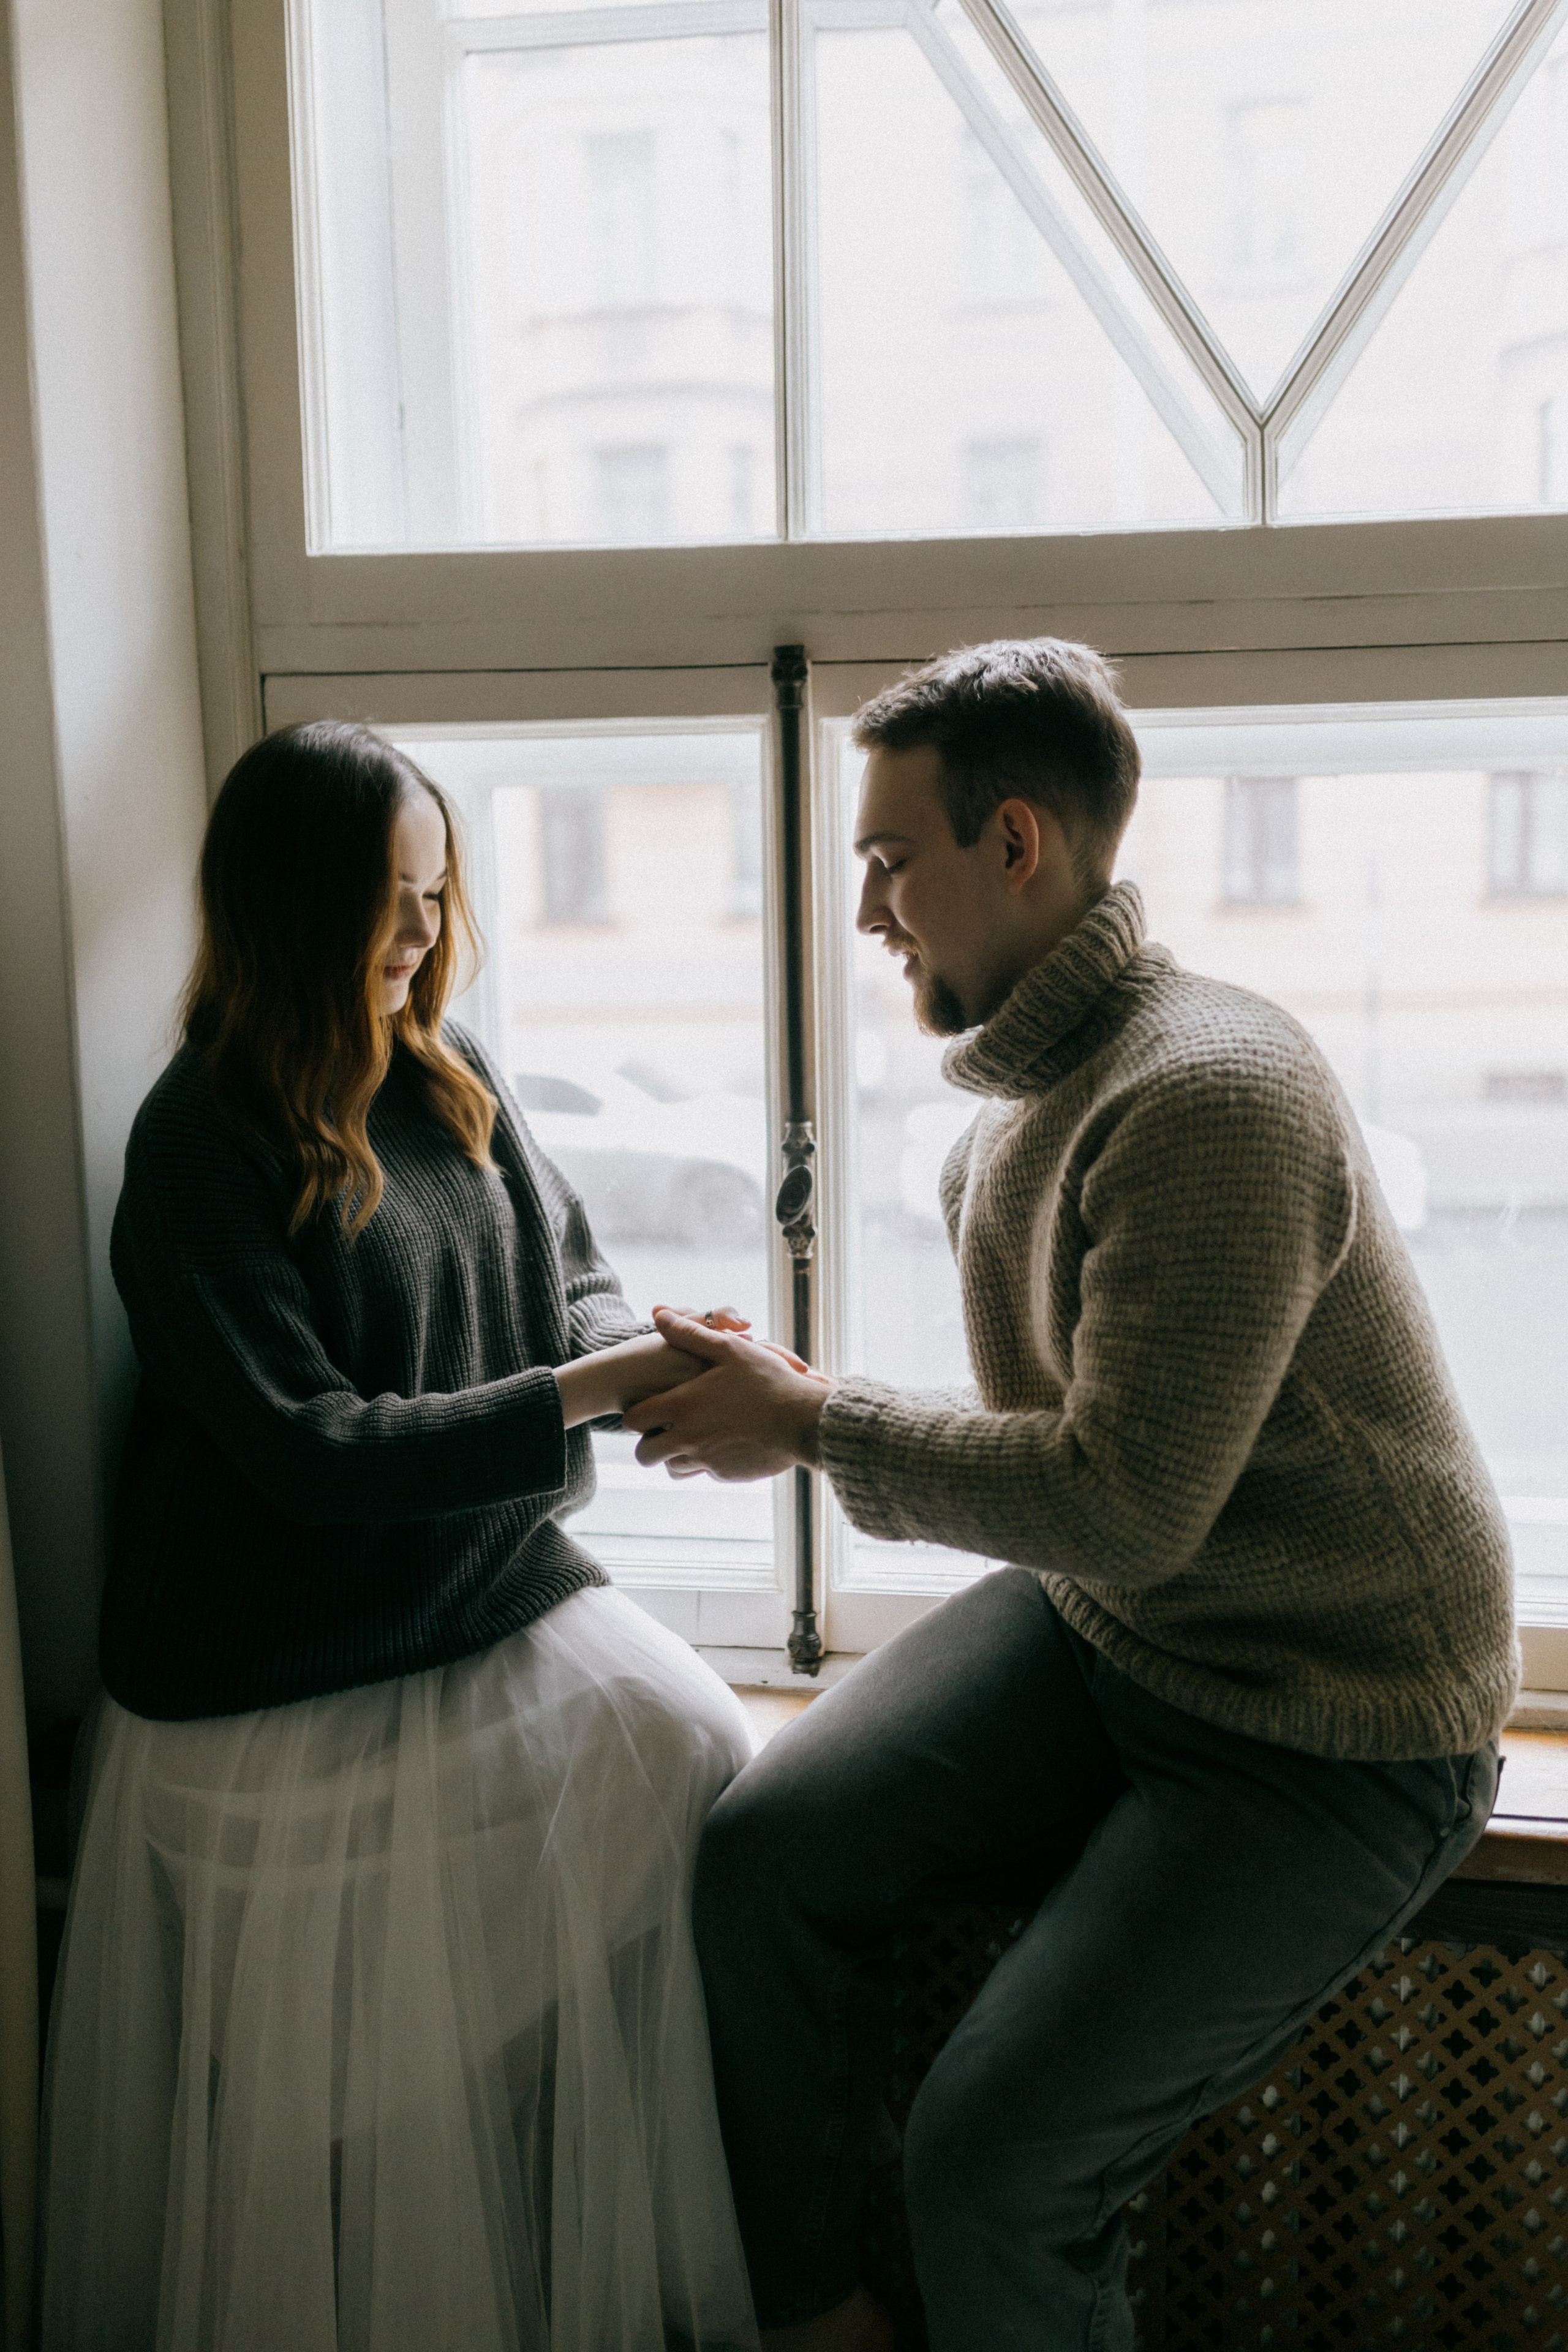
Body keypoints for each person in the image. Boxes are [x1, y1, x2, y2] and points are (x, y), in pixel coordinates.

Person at [624, 639, 1518, 2352]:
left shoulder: (1210, 1096)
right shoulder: (1029, 1100)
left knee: (989, 2166)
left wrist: (813, 1425)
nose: (868, 913)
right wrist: (793, 1400)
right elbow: (1101, 1467)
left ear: (1016, 842)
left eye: (891, 860)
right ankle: (822, 2325)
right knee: (762, 1864)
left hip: (1331, 1722)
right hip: (1128, 1628)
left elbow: (1120, 1503)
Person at [39, 721, 762, 2351]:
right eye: (388, 899)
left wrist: (644, 1351)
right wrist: (592, 1389)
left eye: (437, 894)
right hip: (276, 1646)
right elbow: (312, 1454)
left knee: (699, 1752)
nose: (423, 933)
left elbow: (570, 1272)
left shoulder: (452, 1069)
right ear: (287, 903)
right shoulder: (199, 1141)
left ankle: (504, 2207)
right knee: (369, 2085)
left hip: (470, 1576)